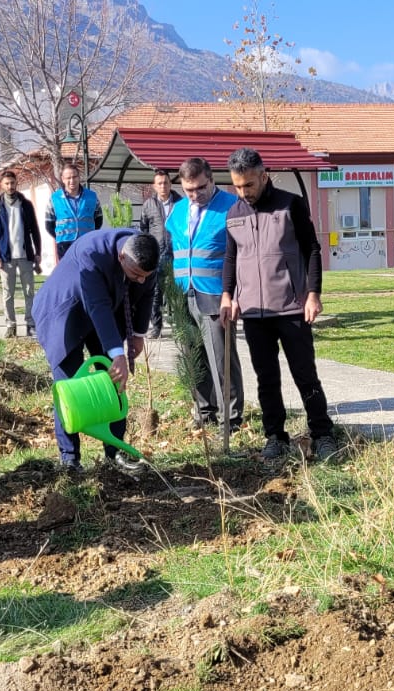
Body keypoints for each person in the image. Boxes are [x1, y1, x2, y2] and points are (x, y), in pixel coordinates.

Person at [219, 148, 338, 462]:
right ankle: (275, 436)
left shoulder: (291, 205)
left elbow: (312, 249)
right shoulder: (234, 214)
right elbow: (231, 257)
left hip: (292, 308)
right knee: (266, 378)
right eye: (237, 186)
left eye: (249, 185)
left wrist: (313, 293)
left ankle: (322, 434)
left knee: (304, 374)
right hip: (255, 314)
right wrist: (227, 295)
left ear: (263, 175)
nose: (243, 192)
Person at [30, 229, 157, 474]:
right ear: (121, 257)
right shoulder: (91, 252)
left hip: (106, 313)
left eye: (145, 275)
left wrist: (138, 335)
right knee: (69, 387)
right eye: (136, 275)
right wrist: (117, 353)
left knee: (114, 382)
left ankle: (114, 453)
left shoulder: (145, 253)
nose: (141, 280)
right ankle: (70, 459)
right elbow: (96, 305)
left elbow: (147, 291)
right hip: (64, 313)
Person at [165, 157, 244, 430]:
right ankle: (204, 411)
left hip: (214, 295)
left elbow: (241, 256)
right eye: (189, 190)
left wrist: (233, 294)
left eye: (200, 188)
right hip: (182, 294)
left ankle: (230, 417)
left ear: (211, 180)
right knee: (194, 357)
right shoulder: (176, 211)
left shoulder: (232, 208)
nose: (195, 195)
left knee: (221, 358)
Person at [0, 168, 41, 338]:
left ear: (16, 183)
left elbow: (34, 230)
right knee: (8, 293)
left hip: (25, 256)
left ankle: (30, 324)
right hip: (6, 258)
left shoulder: (26, 205)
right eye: (7, 183)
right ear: (1, 185)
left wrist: (38, 252)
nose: (10, 186)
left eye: (12, 183)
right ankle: (10, 326)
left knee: (29, 292)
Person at [136, 168, 181, 338]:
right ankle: (156, 326)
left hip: (177, 252)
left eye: (166, 183)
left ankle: (181, 326)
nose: (163, 186)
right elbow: (144, 229)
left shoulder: (180, 203)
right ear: (154, 186)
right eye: (160, 183)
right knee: (155, 291)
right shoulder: (149, 204)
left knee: (179, 291)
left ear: (170, 184)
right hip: (158, 253)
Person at [44, 164, 102, 261]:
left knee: (88, 273)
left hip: (87, 243)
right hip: (64, 245)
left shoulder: (92, 196)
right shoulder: (55, 198)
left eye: (74, 177)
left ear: (79, 177)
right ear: (63, 179)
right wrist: (60, 236)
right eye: (68, 178)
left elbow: (99, 219)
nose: (72, 180)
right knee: (68, 274)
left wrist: (89, 234)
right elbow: (49, 224)